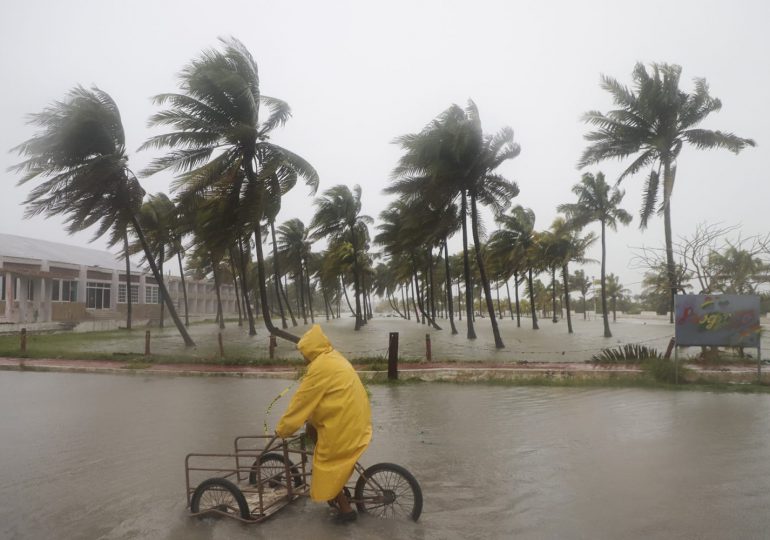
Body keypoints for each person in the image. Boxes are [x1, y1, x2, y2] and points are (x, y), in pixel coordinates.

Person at [275, 324, 372, 523]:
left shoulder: (319, 368)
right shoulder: (333, 357)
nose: (303, 357)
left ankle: (346, 511)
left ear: (311, 350)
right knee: (312, 429)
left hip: (344, 425)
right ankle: (340, 489)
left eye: (304, 353)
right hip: (357, 420)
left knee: (324, 465)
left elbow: (300, 403)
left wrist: (283, 430)